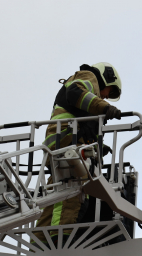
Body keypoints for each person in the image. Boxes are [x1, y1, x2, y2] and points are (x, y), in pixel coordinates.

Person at [36, 63, 123, 233]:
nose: (105, 97)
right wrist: (105, 108)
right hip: (68, 144)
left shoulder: (82, 82)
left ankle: (39, 241)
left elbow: (80, 117)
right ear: (107, 78)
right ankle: (60, 238)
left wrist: (96, 144)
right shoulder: (89, 77)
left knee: (53, 198)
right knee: (71, 194)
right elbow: (75, 93)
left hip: (60, 144)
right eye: (109, 92)